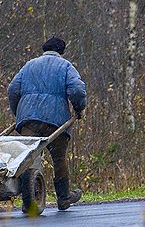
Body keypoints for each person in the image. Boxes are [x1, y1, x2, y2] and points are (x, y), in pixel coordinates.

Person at [7, 37, 87, 210]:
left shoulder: (29, 65)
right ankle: (64, 197)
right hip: (56, 121)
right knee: (59, 159)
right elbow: (77, 90)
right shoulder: (65, 66)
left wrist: (19, 113)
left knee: (28, 158)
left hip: (29, 120)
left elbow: (13, 89)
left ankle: (30, 198)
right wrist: (79, 109)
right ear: (62, 51)